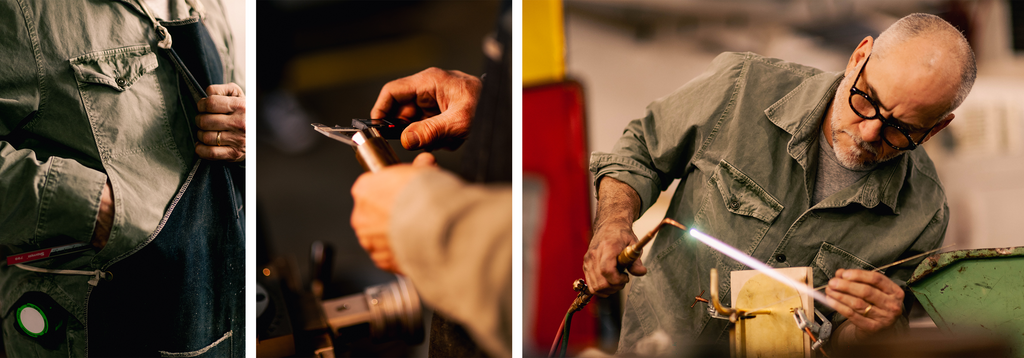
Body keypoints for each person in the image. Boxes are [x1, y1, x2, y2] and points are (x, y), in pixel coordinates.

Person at [583, 13, 975, 353]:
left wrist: (878, 328)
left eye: (901, 129)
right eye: (867, 99)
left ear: (937, 127)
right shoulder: (743, 87)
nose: (871, 132)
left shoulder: (923, 213)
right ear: (859, 56)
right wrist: (613, 224)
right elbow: (640, 151)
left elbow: (845, 343)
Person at [0, 0, 244, 356]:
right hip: (106, 317)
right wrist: (92, 207)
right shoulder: (19, 11)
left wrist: (240, 135)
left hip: (221, 307)